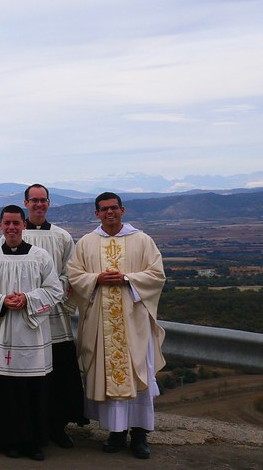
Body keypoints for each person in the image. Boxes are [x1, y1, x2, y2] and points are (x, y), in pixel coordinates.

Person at [67, 192, 166, 460]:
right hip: (102, 323)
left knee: (137, 373)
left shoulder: (142, 240)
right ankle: (116, 432)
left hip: (134, 323)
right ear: (96, 213)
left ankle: (140, 435)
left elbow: (157, 275)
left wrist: (126, 278)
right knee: (109, 374)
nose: (109, 213)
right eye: (104, 209)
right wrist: (96, 278)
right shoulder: (87, 243)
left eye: (114, 208)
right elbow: (74, 275)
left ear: (122, 210)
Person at [6, 183, 86, 447]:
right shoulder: (12, 231)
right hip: (23, 319)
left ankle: (57, 426)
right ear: (26, 203)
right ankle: (28, 424)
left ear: (49, 203)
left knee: (58, 374)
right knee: (30, 373)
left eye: (43, 200)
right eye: (34, 200)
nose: (39, 205)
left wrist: (49, 295)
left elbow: (70, 274)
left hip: (53, 317)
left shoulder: (62, 237)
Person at [0, 205, 62, 461]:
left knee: (31, 390)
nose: (12, 228)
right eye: (7, 223)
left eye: (16, 223)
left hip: (31, 333)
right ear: (1, 226)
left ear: (24, 225)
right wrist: (2, 301)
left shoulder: (41, 256)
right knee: (5, 391)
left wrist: (27, 299)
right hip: (2, 332)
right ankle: (8, 441)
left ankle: (32, 442)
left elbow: (55, 290)